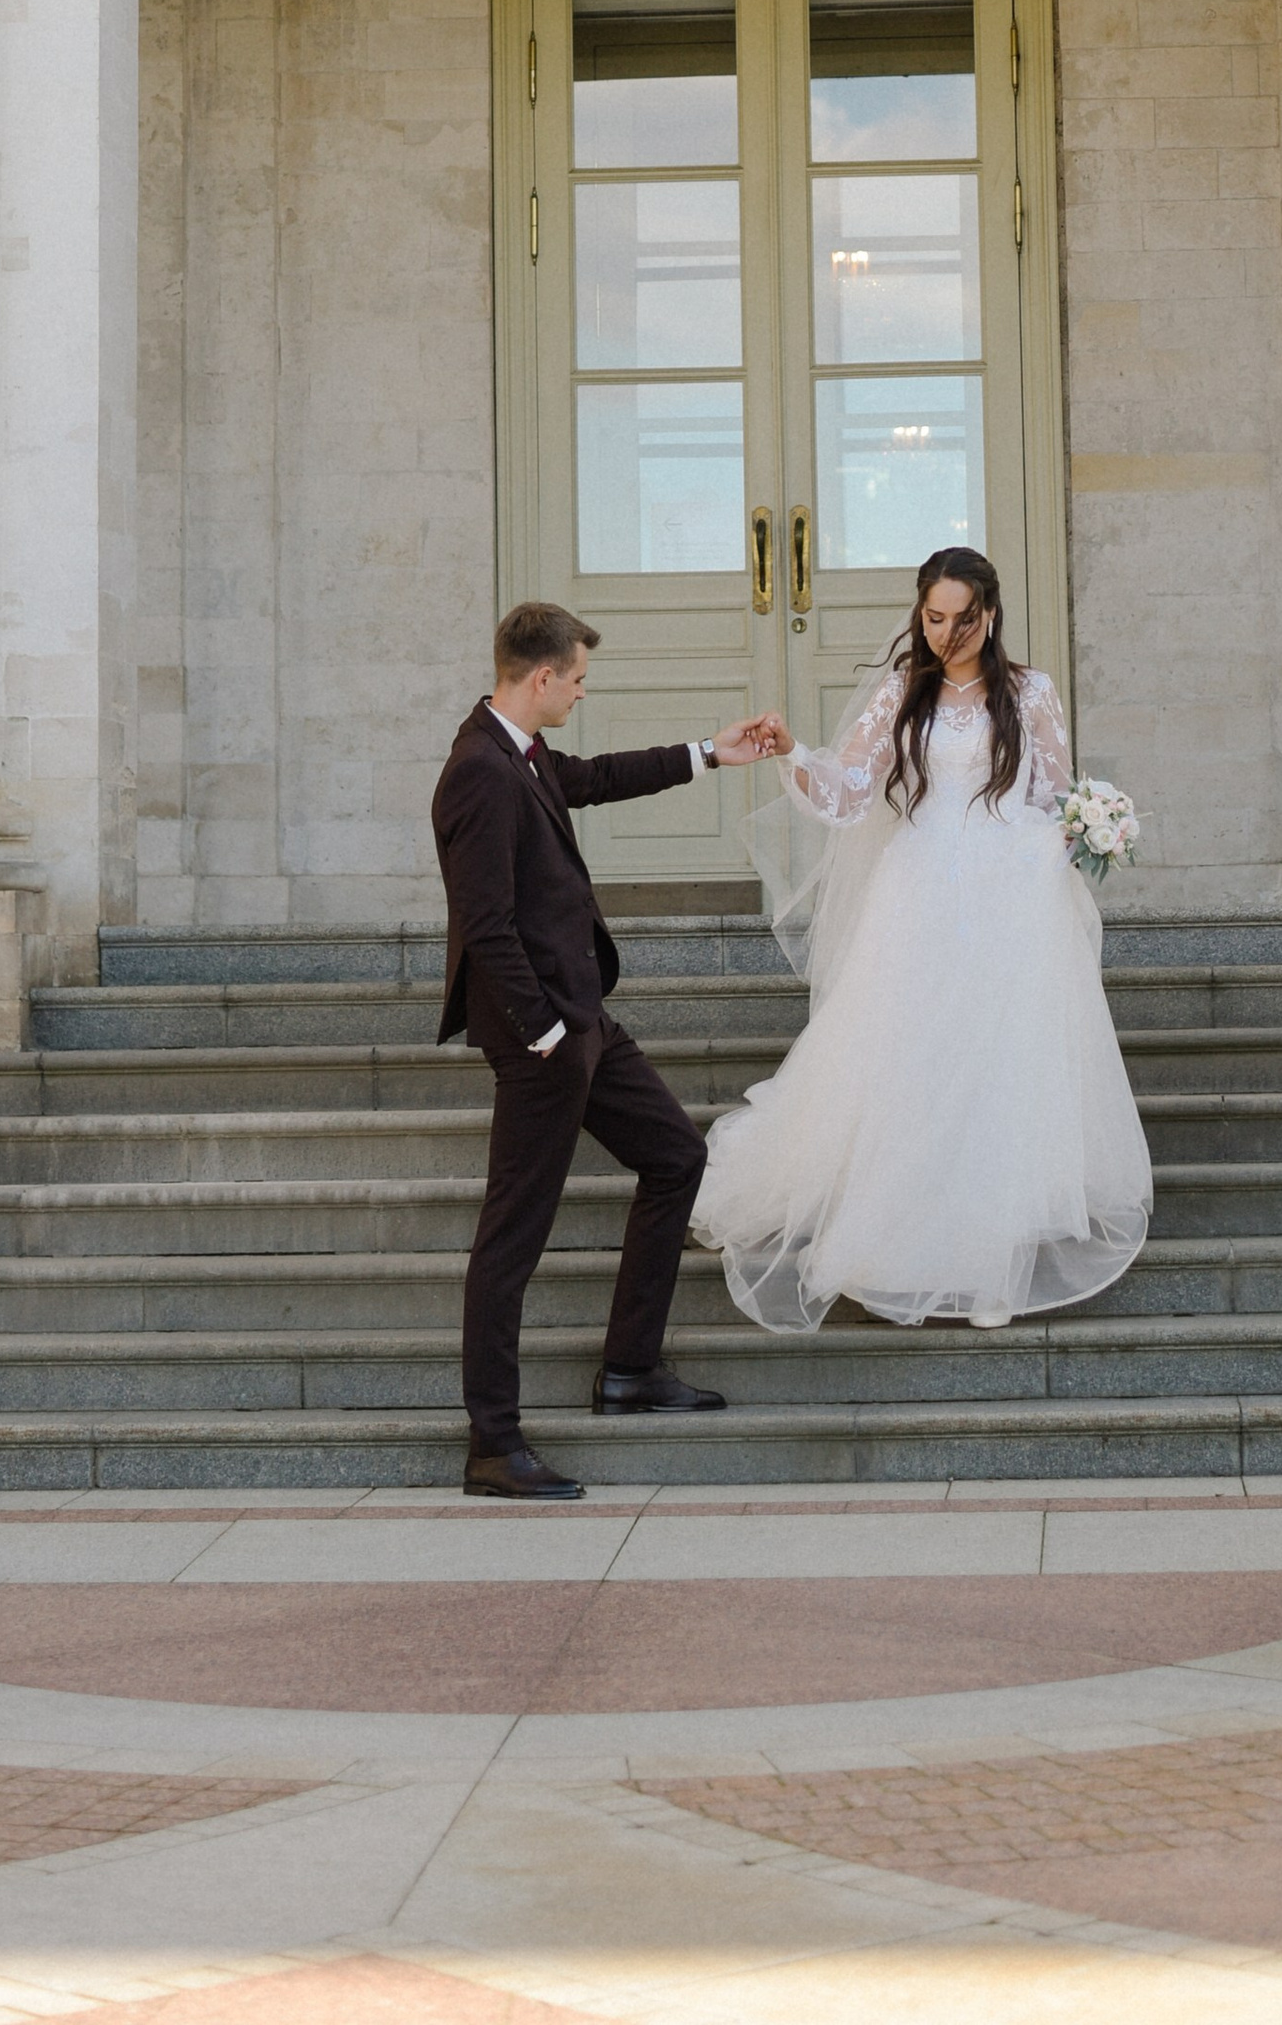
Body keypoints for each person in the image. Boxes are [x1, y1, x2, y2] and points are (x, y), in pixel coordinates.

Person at [691, 546, 1152, 1332]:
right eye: (932, 617)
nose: (945, 633)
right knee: (916, 1055)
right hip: (920, 889)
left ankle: (989, 1250)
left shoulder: (1030, 691)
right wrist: (794, 753)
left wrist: (1086, 827)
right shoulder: (905, 691)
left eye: (961, 618)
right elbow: (846, 793)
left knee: (998, 1065)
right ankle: (908, 1242)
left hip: (1011, 890)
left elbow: (1052, 793)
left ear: (990, 614)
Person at [431, 598, 788, 1500]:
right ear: (542, 676)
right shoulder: (476, 769)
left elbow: (592, 777)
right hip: (542, 1037)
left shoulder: (523, 752)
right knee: (511, 1236)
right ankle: (492, 1443)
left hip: (584, 1018)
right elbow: (487, 924)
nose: (583, 692)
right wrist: (546, 1033)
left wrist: (712, 752)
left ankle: (629, 1371)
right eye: (579, 679)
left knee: (676, 1155)